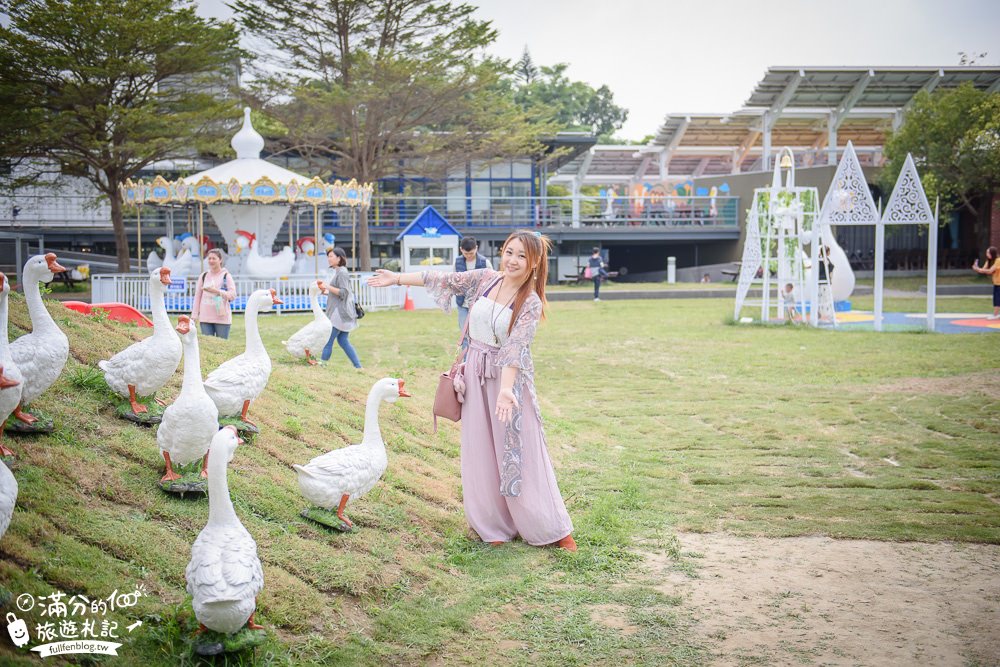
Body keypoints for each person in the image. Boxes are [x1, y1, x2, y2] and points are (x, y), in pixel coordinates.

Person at [367, 230, 576, 552]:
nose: (513, 260)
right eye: (509, 252)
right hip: (474, 374)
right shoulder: (486, 278)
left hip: (509, 381)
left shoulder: (530, 302)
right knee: (479, 451)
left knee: (519, 452)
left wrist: (506, 390)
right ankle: (492, 525)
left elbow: (515, 349)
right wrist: (397, 279)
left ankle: (549, 526)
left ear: (535, 262)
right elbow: (444, 278)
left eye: (522, 255)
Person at [320, 247, 362, 368]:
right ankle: (358, 366)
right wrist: (326, 292)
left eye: (331, 256)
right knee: (343, 340)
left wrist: (327, 286)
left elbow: (343, 293)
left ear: (339, 258)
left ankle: (322, 365)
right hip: (343, 312)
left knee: (328, 340)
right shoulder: (340, 271)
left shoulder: (342, 273)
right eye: (328, 256)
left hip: (339, 313)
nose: (329, 259)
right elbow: (339, 293)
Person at [191, 248, 236, 339]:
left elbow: (232, 295)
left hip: (222, 318)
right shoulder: (203, 276)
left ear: (220, 260)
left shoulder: (226, 276)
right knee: (209, 345)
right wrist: (194, 315)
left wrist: (216, 291)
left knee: (222, 347)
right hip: (205, 318)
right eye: (209, 258)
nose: (211, 261)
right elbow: (198, 296)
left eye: (214, 258)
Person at [455, 236, 492, 339]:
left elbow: (492, 282)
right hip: (462, 304)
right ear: (461, 249)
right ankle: (466, 355)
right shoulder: (457, 263)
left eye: (471, 253)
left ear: (476, 248)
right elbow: (453, 280)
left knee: (479, 334)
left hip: (480, 304)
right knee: (465, 334)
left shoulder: (485, 263)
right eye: (466, 254)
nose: (469, 256)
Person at [972, 246, 1000, 320]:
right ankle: (996, 314)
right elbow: (983, 270)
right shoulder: (989, 261)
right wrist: (976, 268)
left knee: (997, 299)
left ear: (992, 253)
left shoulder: (998, 260)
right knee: (996, 299)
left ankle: (996, 315)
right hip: (996, 283)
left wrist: (978, 269)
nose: (986, 254)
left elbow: (990, 271)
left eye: (988, 252)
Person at [817, 245, 835, 322]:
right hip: (824, 282)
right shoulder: (824, 260)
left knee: (821, 298)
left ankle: (820, 314)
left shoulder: (821, 259)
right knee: (826, 298)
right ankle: (827, 315)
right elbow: (830, 268)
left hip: (822, 281)